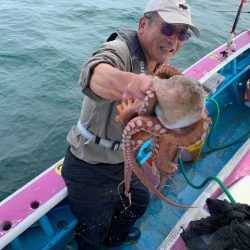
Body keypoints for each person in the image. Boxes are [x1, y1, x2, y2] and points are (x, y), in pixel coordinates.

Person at [62, 0, 200, 249]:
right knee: (93, 228)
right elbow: (94, 73)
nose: (174, 40)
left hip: (127, 159)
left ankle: (116, 237)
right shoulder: (120, 49)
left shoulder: (160, 64)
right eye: (168, 29)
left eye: (183, 34)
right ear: (143, 24)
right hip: (90, 164)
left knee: (138, 202)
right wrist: (138, 85)